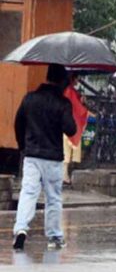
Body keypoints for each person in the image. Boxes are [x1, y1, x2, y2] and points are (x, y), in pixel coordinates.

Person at [12, 64, 77, 251]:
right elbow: (71, 129)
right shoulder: (62, 103)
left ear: (47, 77)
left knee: (28, 193)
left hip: (32, 155)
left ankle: (21, 229)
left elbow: (18, 124)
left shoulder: (30, 98)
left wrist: (23, 146)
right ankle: (54, 237)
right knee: (53, 197)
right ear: (62, 81)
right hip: (53, 158)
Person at [62, 73, 88, 185]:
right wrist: (83, 105)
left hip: (67, 123)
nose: (78, 80)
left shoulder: (70, 91)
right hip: (70, 123)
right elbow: (77, 108)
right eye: (77, 78)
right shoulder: (70, 91)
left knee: (66, 150)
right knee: (67, 150)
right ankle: (64, 175)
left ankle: (65, 174)